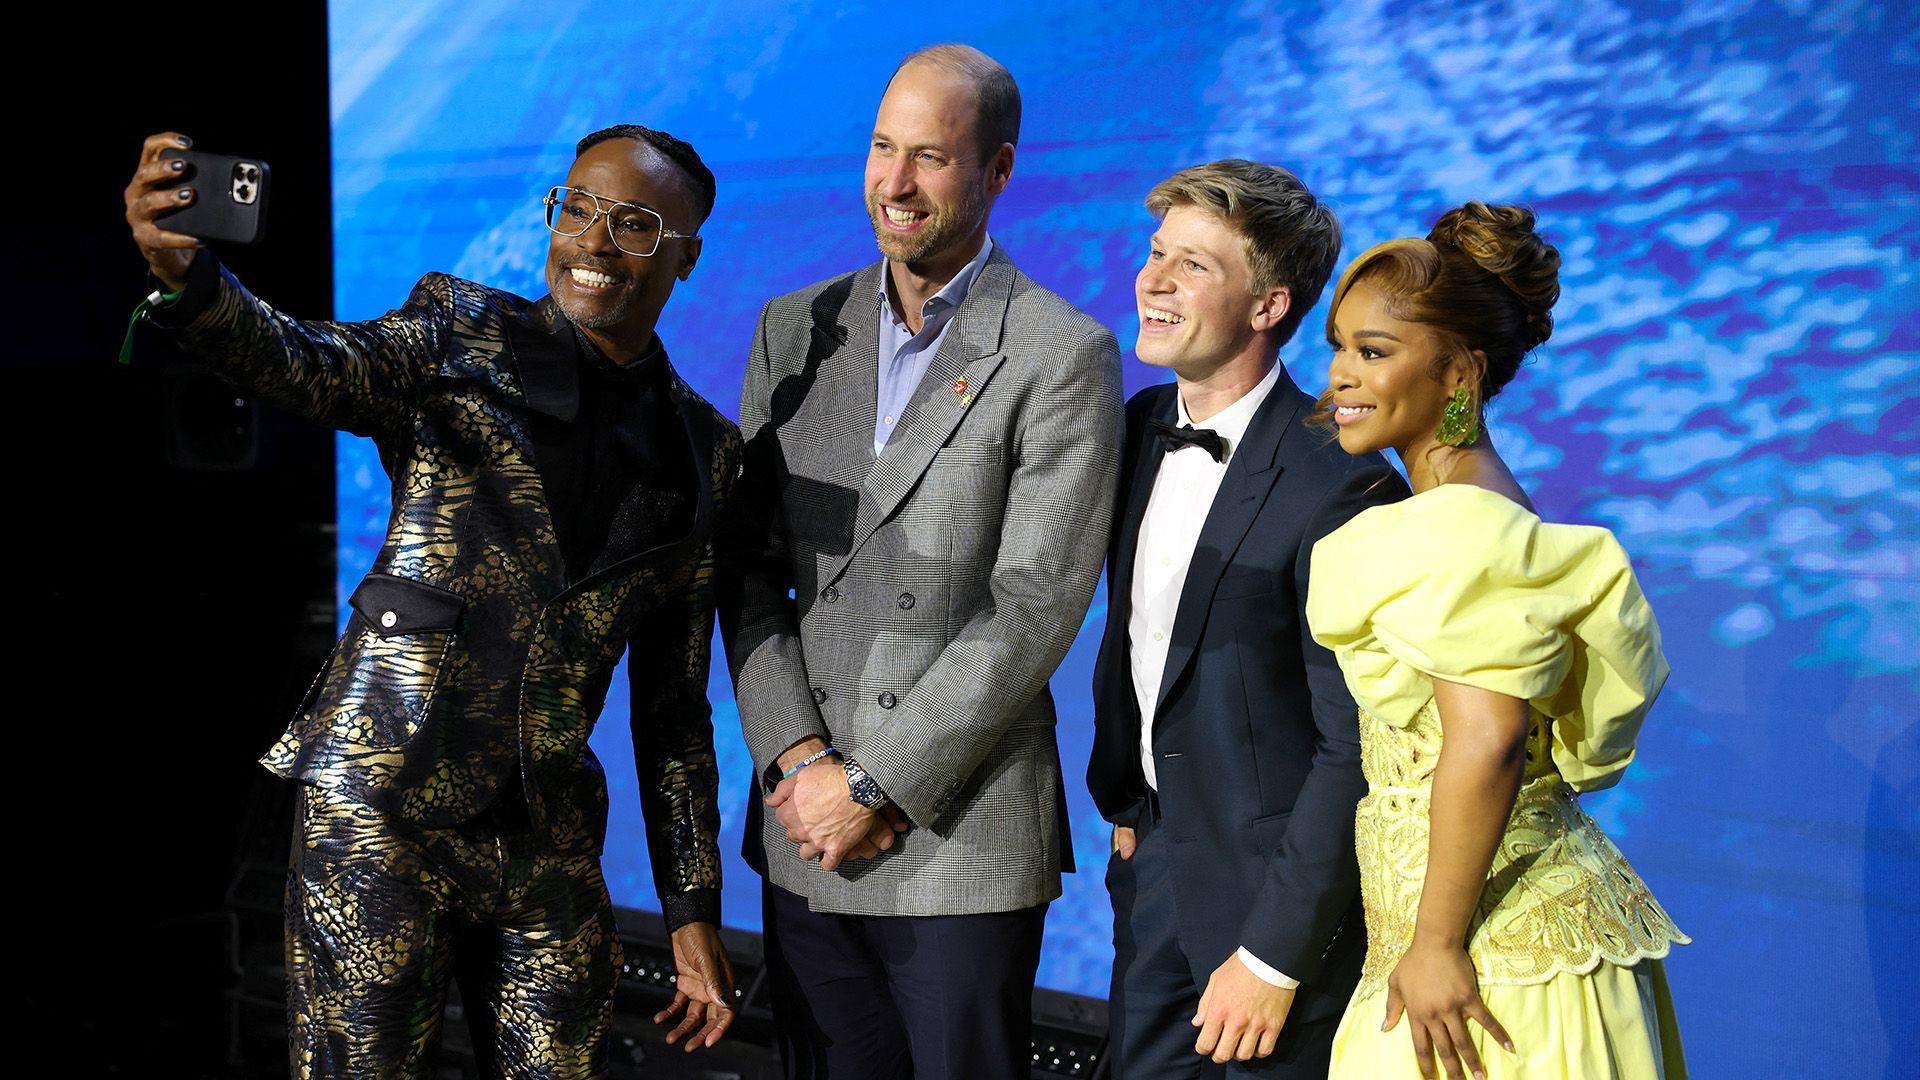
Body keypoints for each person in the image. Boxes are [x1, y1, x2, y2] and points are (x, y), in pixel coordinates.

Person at [122, 125, 742, 1076]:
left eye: (633, 224)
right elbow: (308, 362)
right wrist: (191, 285)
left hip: (543, 840)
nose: (592, 242)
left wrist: (693, 912)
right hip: (382, 807)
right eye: (574, 209)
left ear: (684, 256)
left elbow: (673, 710)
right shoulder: (458, 335)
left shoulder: (704, 452)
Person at [722, 43, 1124, 1080]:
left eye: (931, 159)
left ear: (996, 172)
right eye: (881, 149)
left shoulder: (1057, 351)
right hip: (803, 829)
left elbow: (1037, 604)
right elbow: (749, 568)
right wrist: (800, 762)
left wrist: (875, 785)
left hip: (958, 837)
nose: (894, 185)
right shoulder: (796, 327)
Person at [1309, 202, 1689, 1079]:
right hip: (1473, 951)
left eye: (1374, 351)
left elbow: (1488, 740)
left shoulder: (1465, 526)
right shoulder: (1466, 508)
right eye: (1340, 347)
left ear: (1460, 375)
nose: (1340, 376)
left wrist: (1436, 944)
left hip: (1492, 973)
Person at [1086, 160, 1407, 1078]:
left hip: (1278, 914)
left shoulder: (1344, 480)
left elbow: (1358, 749)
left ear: (1268, 306)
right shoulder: (1137, 426)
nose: (1151, 280)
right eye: (1156, 255)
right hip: (1154, 876)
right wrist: (1133, 795)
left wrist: (1273, 956)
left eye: (1193, 265)